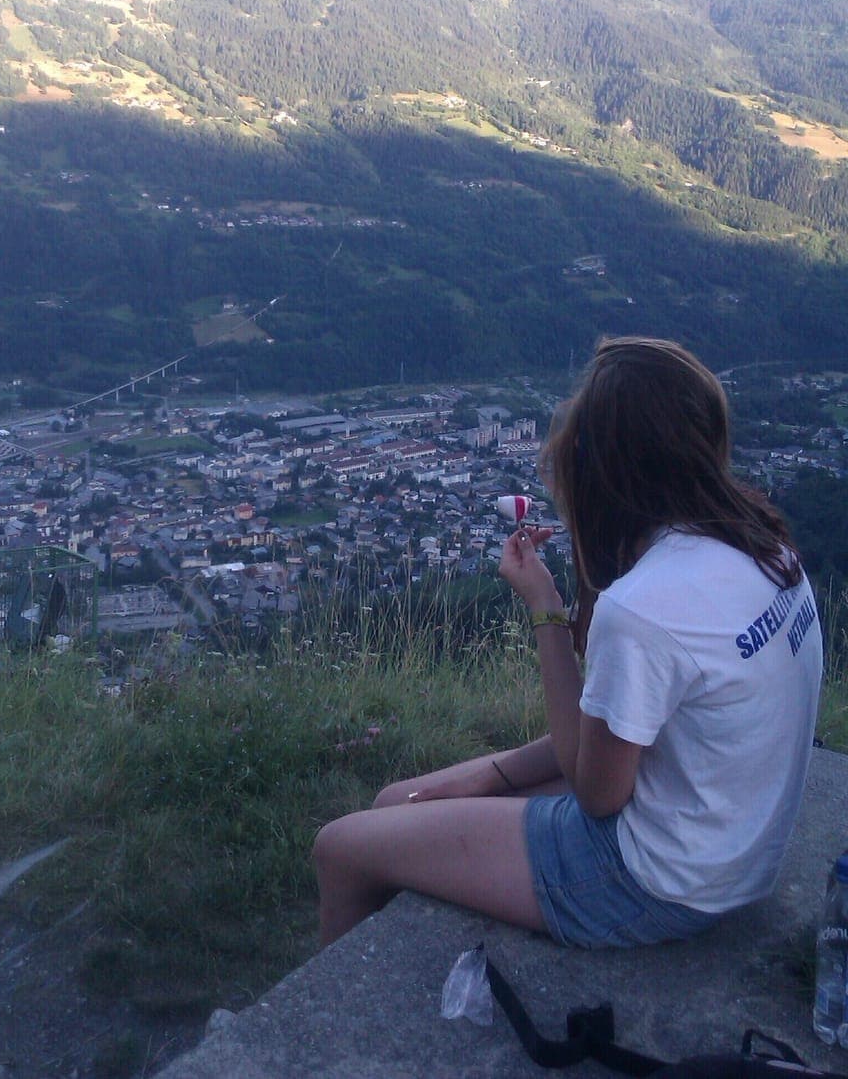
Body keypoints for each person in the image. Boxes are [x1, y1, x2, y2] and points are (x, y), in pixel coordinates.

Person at [313, 337, 824, 949]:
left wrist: (547, 611)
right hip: (729, 849)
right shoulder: (768, 551)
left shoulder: (644, 608)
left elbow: (597, 795)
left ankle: (329, 1040)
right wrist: (494, 776)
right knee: (397, 800)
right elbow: (623, 729)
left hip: (654, 881)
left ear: (605, 466)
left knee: (340, 848)